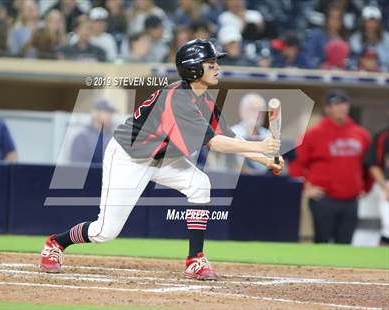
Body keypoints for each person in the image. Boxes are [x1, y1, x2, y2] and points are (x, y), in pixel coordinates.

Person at [40, 39, 283, 280]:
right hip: (129, 157)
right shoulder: (177, 100)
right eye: (210, 63)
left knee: (200, 184)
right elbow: (215, 143)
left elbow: (229, 136)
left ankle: (195, 259)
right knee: (105, 232)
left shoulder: (204, 100)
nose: (217, 67)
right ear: (193, 69)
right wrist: (260, 144)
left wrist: (264, 159)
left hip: (161, 158)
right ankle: (56, 243)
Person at [288, 90, 371, 244]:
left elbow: (369, 165)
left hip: (351, 199)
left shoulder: (361, 134)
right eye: (336, 104)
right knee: (322, 243)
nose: (341, 107)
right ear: (328, 109)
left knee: (345, 244)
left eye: (344, 103)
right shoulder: (313, 134)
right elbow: (295, 163)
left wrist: (365, 187)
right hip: (323, 198)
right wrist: (306, 187)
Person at [364, 105, 389, 245]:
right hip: (386, 183)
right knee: (388, 229)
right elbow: (373, 165)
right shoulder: (382, 135)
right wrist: (385, 188)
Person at [228, 93, 269, 174]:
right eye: (253, 110)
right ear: (242, 112)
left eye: (260, 111)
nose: (257, 114)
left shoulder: (269, 135)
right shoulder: (231, 134)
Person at [70, 99, 117, 164]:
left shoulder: (115, 138)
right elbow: (78, 165)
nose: (110, 116)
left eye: (110, 113)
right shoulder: (82, 138)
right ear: (96, 113)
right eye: (106, 112)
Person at [305, 4, 348, 69]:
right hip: (320, 75)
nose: (335, 21)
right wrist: (320, 66)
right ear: (327, 19)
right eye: (332, 17)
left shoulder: (345, 38)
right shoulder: (317, 35)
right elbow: (308, 57)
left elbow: (349, 59)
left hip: (340, 75)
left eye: (338, 18)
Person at [349, 6, 389, 72]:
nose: (371, 25)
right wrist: (361, 61)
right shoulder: (355, 38)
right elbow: (352, 60)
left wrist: (377, 62)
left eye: (374, 22)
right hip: (359, 75)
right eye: (368, 21)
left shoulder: (387, 38)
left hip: (382, 75)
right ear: (363, 22)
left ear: (379, 23)